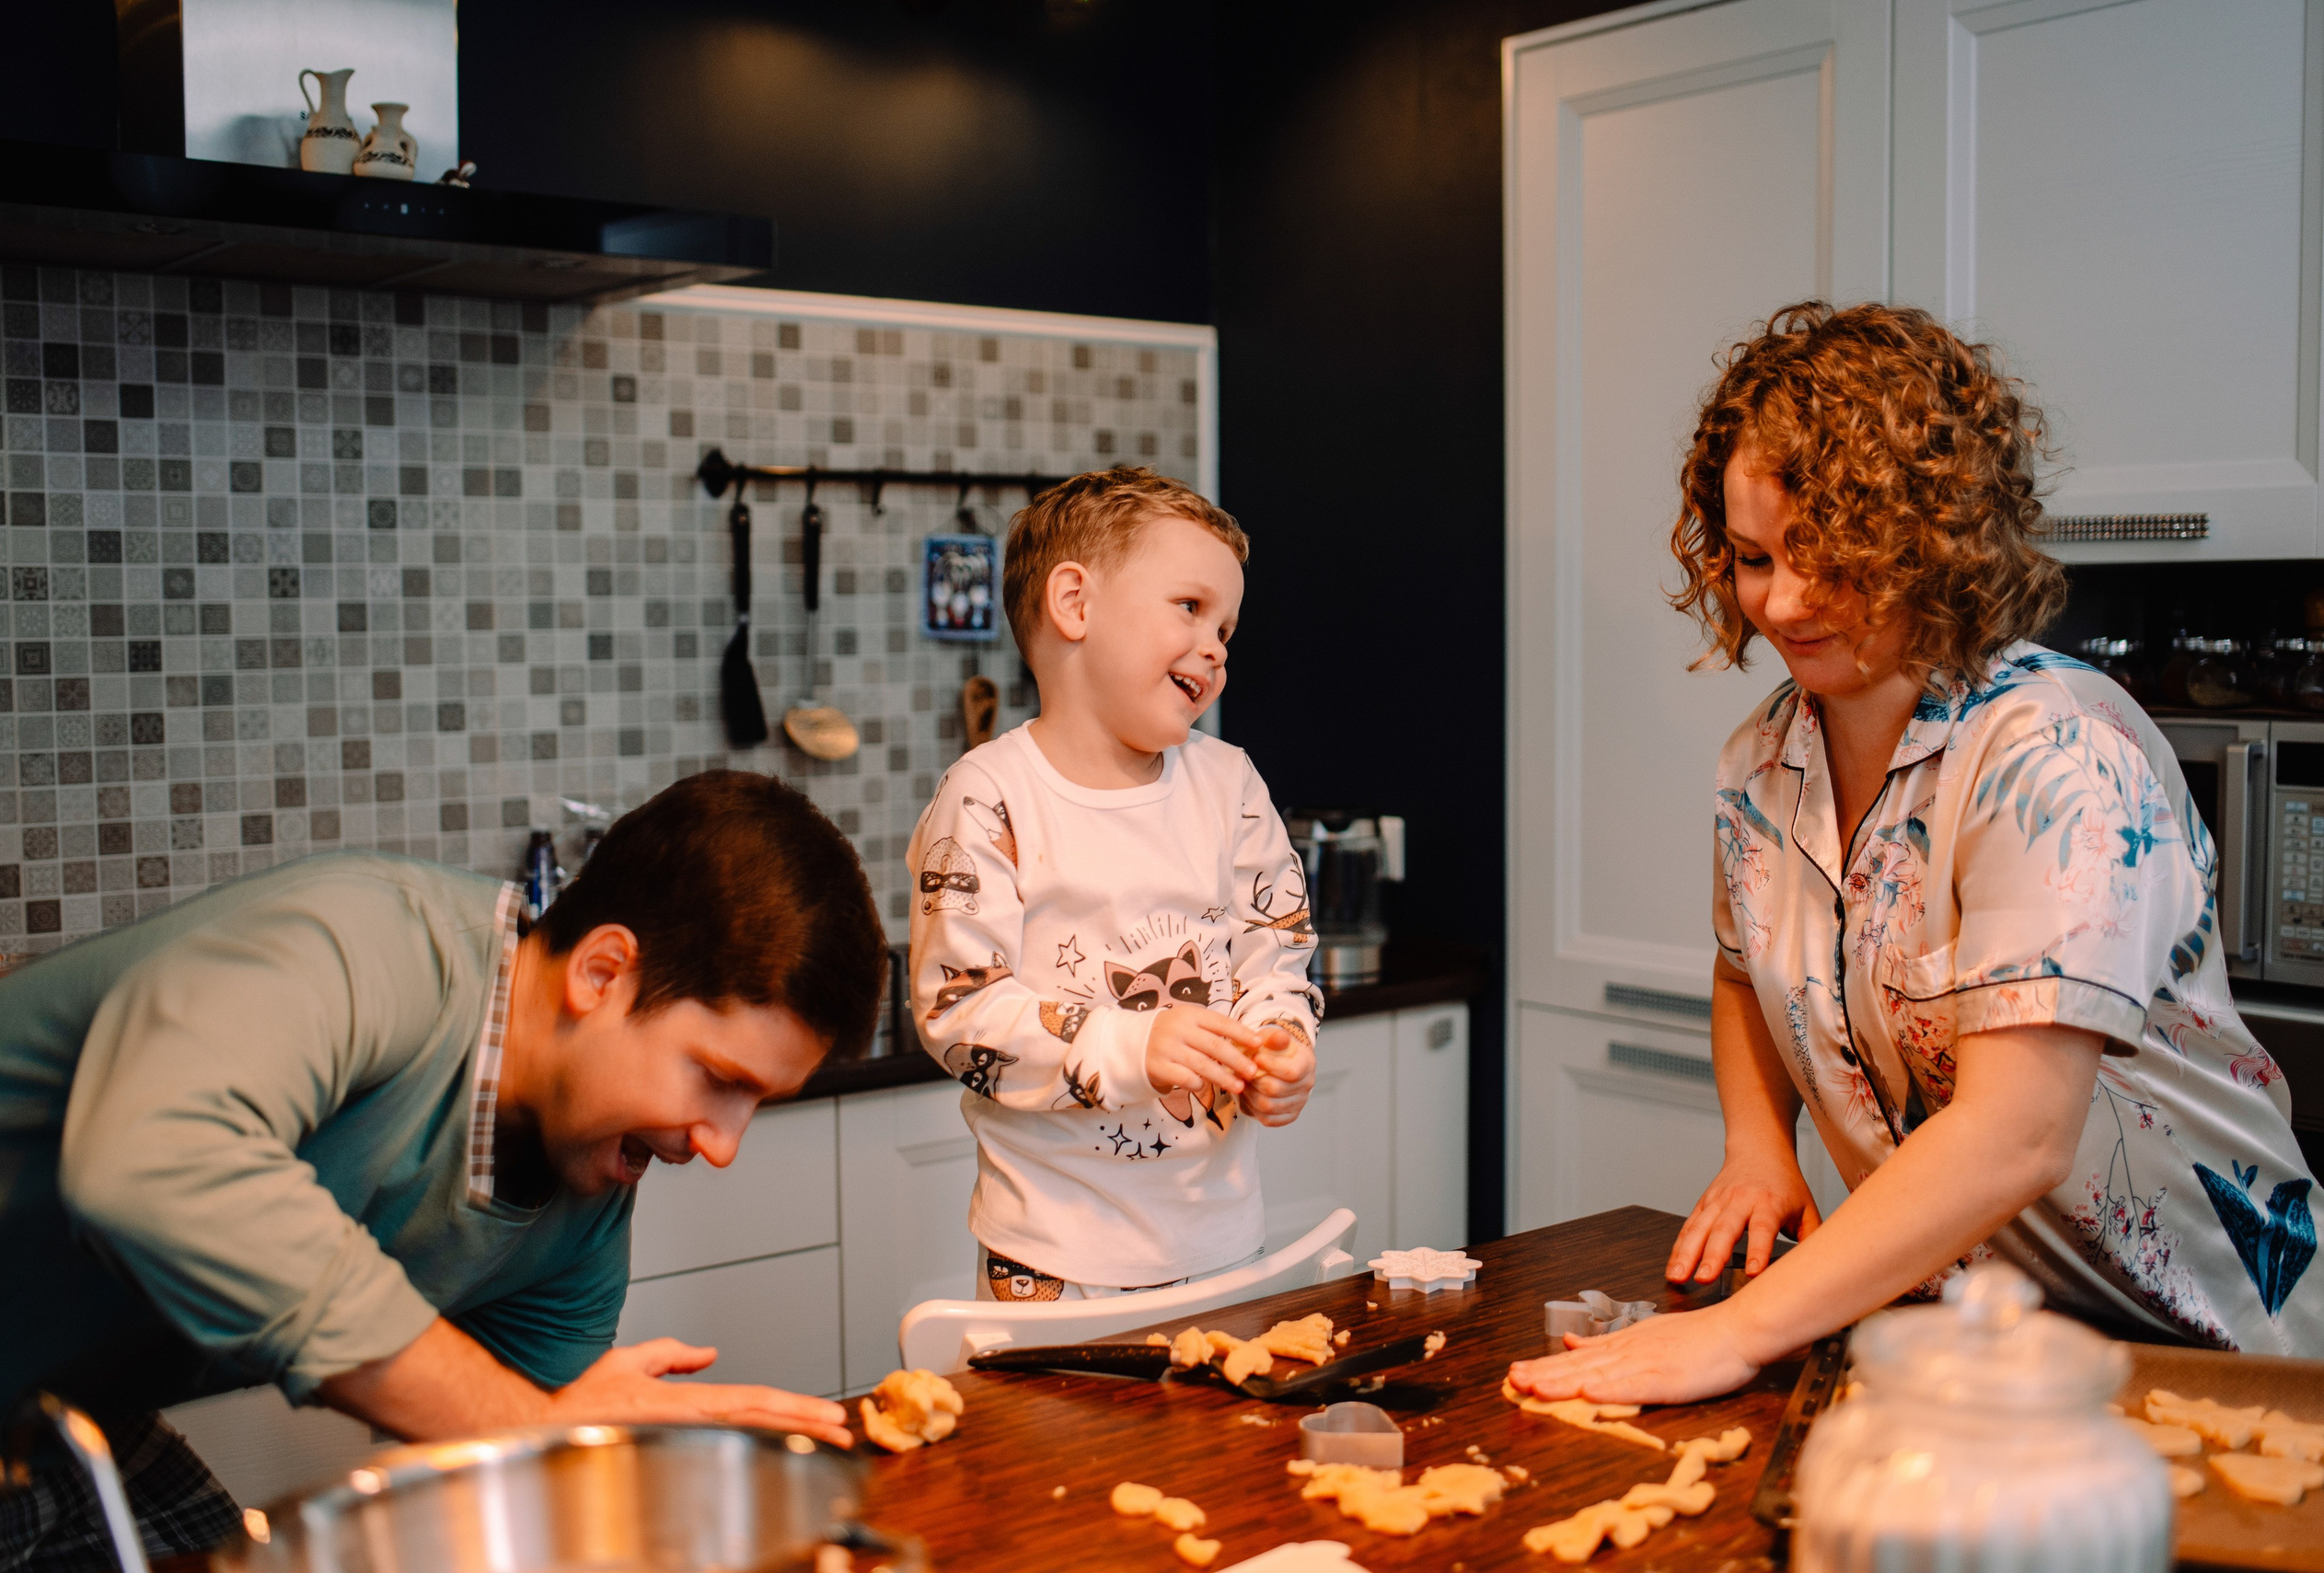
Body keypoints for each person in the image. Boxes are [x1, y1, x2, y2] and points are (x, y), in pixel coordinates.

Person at [1510, 302, 2321, 1407]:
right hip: (1980, 1347)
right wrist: (1757, 1145)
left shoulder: (2052, 751)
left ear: (1932, 538)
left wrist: (1736, 1332)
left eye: (1828, 558)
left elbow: (2016, 1134)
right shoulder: (1762, 760)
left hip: (2213, 1357)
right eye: (1752, 557)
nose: (1782, 601)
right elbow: (1744, 969)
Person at [0, 770, 885, 1571]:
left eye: (757, 1101)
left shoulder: (583, 1205)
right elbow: (150, 1160)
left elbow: (515, 1484)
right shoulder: (362, 942)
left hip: (52, 1429)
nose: (722, 1146)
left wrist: (585, 1458)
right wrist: (523, 1426)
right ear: (603, 973)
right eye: (718, 1079)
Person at [904, 467, 1321, 1301]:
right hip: (1054, 1258)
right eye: (1190, 607)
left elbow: (1276, 952)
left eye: (1226, 628)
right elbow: (960, 1012)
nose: (1216, 647)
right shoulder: (989, 797)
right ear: (1075, 604)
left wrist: (1283, 1039)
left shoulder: (1230, 784)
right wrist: (1133, 1045)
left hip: (1223, 1241)